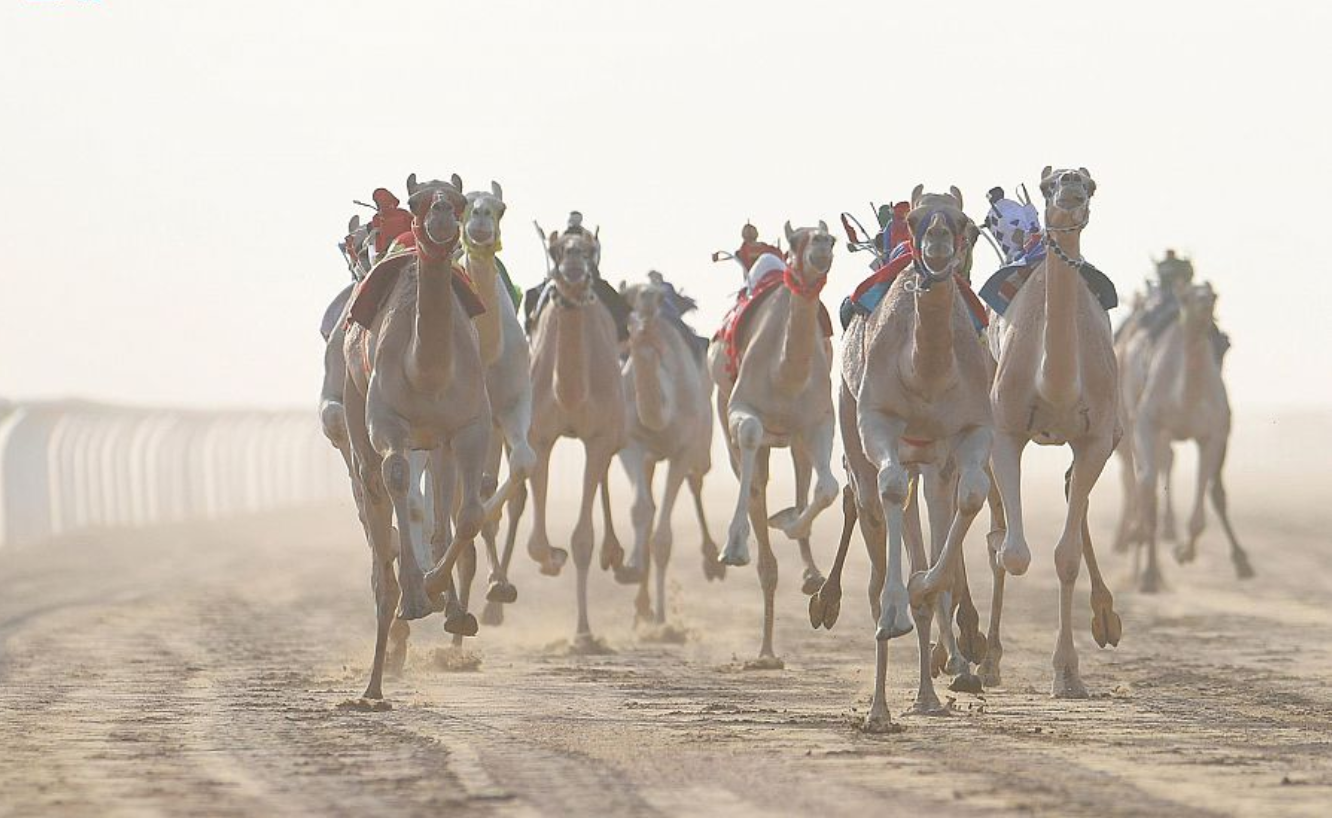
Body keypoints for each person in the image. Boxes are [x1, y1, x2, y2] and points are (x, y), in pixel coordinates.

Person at [368, 188, 413, 261]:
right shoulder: (377, 218)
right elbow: (378, 237)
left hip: (409, 245)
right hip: (389, 252)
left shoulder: (403, 213)